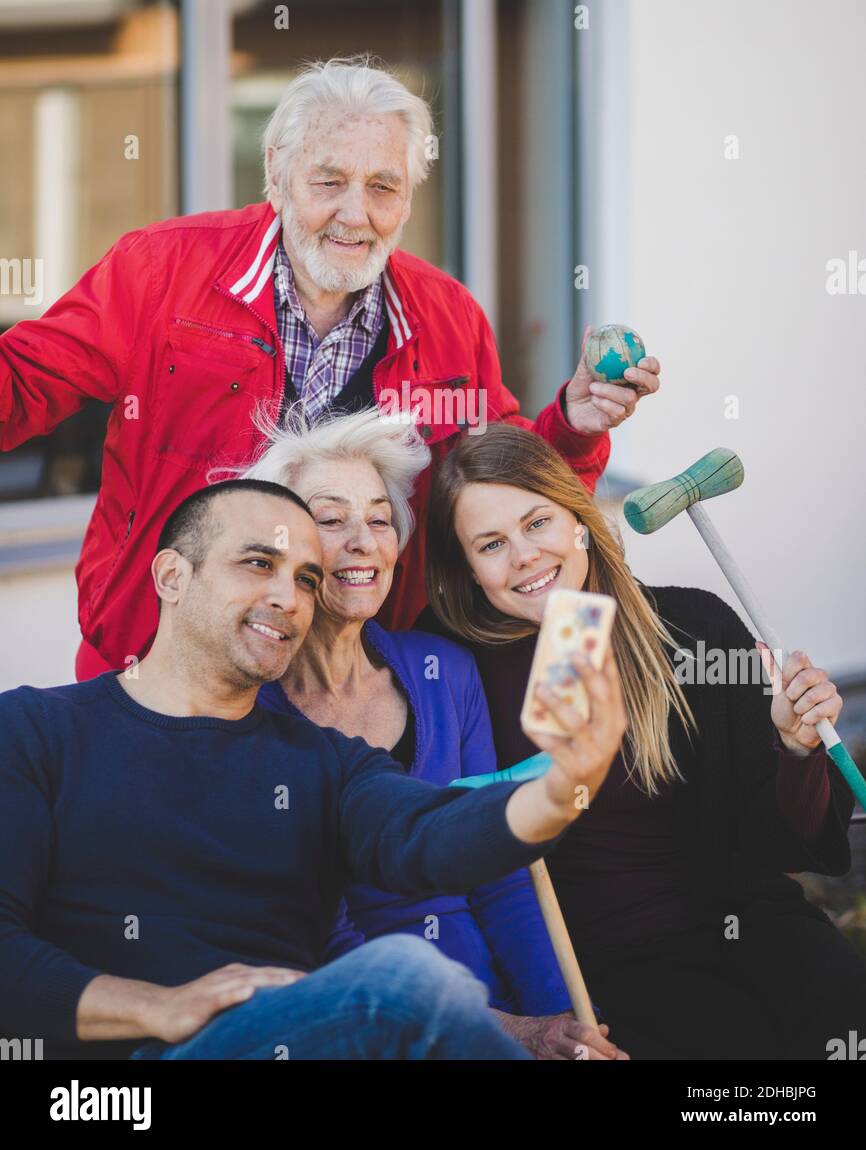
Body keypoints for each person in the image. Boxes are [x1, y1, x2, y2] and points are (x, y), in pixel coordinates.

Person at [0, 55, 662, 682]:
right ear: (277, 171)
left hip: (354, 684)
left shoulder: (447, 316)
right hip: (165, 668)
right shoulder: (160, 271)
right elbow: (23, 383)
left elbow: (498, 484)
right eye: (329, 181)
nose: (355, 214)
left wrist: (575, 423)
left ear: (407, 197)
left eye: (382, 187)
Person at [0, 478, 627, 1061]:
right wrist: (158, 1006)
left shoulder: (322, 760)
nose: (287, 597)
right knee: (407, 978)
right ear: (172, 575)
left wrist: (566, 782)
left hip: (297, 1039)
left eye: (306, 578)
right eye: (257, 563)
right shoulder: (35, 729)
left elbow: (434, 835)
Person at [417, 422, 866, 1061]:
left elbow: (776, 843)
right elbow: (449, 834)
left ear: (577, 517)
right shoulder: (452, 658)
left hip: (744, 920)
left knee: (842, 1025)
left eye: (537, 523)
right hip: (600, 963)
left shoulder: (694, 627)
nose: (524, 556)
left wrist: (795, 750)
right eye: (491, 543)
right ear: (464, 566)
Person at [243, 407, 627, 1061]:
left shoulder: (443, 670)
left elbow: (505, 874)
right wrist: (509, 1034)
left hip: (500, 1003)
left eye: (379, 519)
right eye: (330, 520)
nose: (361, 540)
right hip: (367, 1024)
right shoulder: (251, 718)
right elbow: (324, 941)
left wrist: (562, 1020)